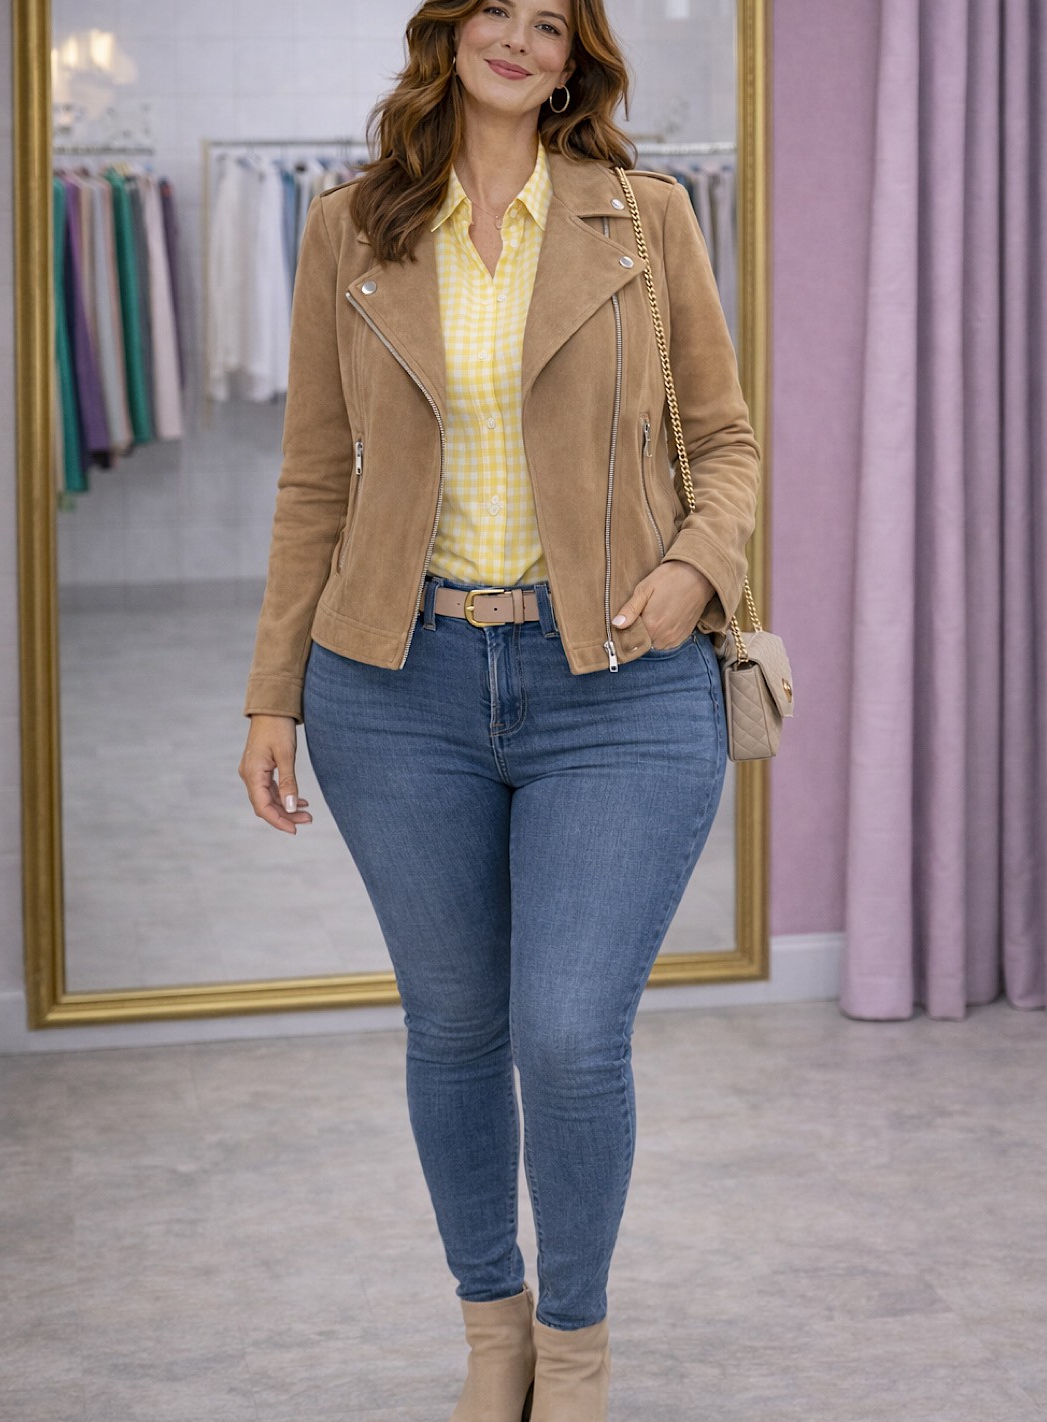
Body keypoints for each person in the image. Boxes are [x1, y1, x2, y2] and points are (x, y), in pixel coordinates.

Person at [238, 1, 760, 1416]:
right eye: (497, 12)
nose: (519, 41)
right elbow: (314, 476)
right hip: (394, 688)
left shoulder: (645, 218)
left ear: (576, 57)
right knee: (456, 1028)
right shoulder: (352, 227)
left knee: (570, 1036)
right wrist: (273, 692)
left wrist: (692, 568)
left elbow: (724, 441)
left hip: (618, 684)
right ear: (451, 31)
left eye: (550, 23)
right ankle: (494, 1335)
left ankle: (574, 1348)